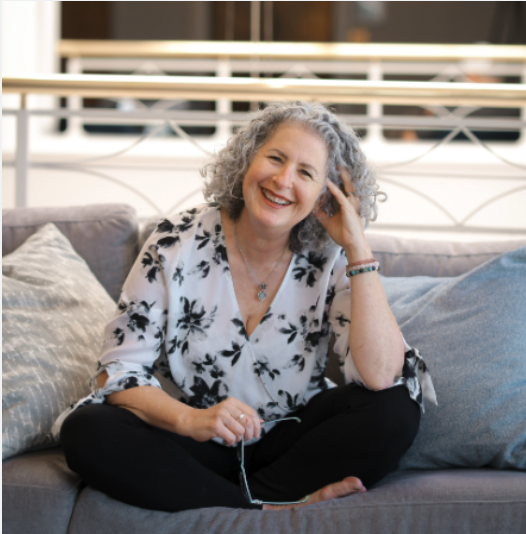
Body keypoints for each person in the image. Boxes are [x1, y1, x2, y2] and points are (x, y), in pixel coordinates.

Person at [59, 101, 436, 512]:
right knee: (88, 429)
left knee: (396, 409)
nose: (282, 180)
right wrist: (192, 420)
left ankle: (236, 504)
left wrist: (357, 246)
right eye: (275, 158)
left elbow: (381, 376)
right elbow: (118, 372)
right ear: (247, 159)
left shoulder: (332, 256)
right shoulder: (175, 240)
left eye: (305, 173)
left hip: (288, 442)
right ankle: (268, 510)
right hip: (189, 441)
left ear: (325, 196)